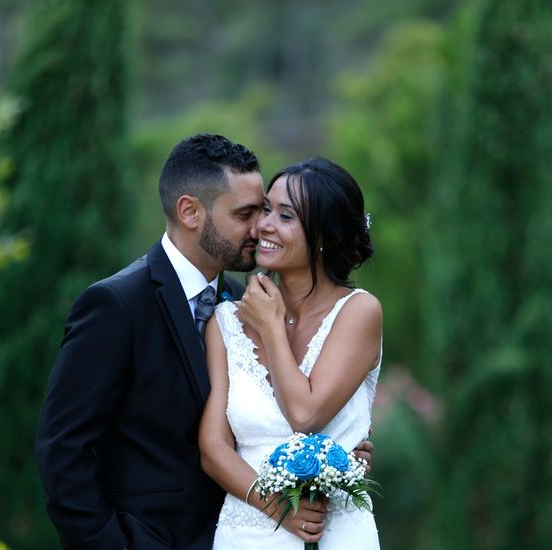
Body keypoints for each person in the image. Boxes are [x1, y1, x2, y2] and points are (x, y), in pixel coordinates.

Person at [34, 134, 347, 549]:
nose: (260, 228)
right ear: (190, 212)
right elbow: (63, 449)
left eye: (265, 211)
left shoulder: (245, 305)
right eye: (245, 213)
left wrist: (339, 452)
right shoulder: (115, 305)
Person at [199, 157, 382, 549]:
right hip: (246, 534)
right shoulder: (227, 321)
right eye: (266, 208)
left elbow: (305, 415)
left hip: (337, 535)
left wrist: (270, 327)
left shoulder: (359, 312)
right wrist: (279, 507)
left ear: (323, 236)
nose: (264, 225)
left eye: (286, 216)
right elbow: (214, 448)